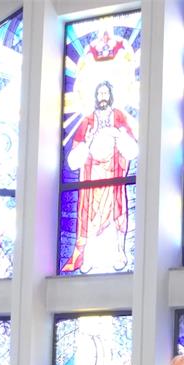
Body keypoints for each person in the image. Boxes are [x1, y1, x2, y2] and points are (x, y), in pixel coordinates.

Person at [60, 81, 138, 274]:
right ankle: (90, 258)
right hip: (92, 180)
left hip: (114, 179)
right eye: (99, 93)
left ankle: (117, 254)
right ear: (95, 97)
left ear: (110, 96)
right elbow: (73, 161)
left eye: (105, 93)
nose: (102, 97)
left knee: (114, 215)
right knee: (91, 218)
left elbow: (132, 150)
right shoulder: (87, 122)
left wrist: (119, 135)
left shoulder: (118, 117)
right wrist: (87, 143)